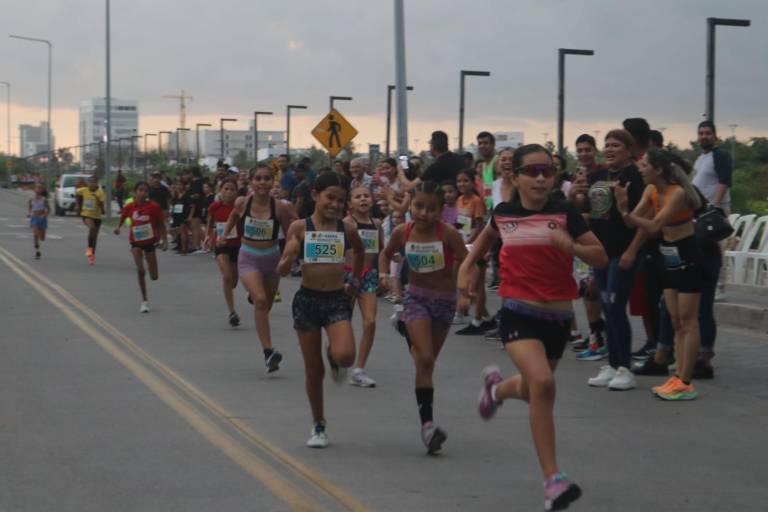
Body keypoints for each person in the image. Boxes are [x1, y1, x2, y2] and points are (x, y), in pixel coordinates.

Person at [459, 143, 606, 512]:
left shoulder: (566, 214)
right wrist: (465, 272)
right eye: (533, 171)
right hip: (518, 312)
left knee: (532, 387)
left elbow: (601, 255)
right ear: (515, 177)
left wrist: (570, 245)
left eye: (547, 171)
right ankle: (553, 480)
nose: (541, 178)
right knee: (543, 383)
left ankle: (496, 391)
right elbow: (480, 246)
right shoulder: (504, 214)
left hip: (557, 318)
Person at [379, 181, 468, 454]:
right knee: (425, 358)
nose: (423, 213)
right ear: (410, 205)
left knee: (426, 365)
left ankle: (406, 328)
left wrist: (464, 290)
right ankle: (427, 426)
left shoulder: (449, 233)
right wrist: (384, 274)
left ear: (441, 210)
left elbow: (467, 259)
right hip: (416, 298)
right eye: (418, 206)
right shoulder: (402, 231)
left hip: (444, 303)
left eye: (431, 209)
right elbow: (385, 253)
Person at [278, 172, 364, 448]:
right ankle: (319, 424)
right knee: (314, 370)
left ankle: (334, 355)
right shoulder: (299, 228)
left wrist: (355, 279)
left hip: (337, 299)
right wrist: (289, 257)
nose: (336, 205)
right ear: (315, 196)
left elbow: (360, 252)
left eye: (341, 200)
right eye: (330, 198)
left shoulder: (346, 229)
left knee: (346, 356)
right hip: (307, 302)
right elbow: (282, 268)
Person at [616, 149, 703, 400]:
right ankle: (676, 378)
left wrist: (627, 212)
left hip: (687, 253)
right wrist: (624, 209)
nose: (640, 169)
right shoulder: (650, 191)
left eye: (644, 165)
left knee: (688, 321)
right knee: (675, 319)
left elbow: (654, 225)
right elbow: (633, 223)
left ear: (658, 169)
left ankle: (686, 381)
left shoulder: (676, 193)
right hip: (668, 254)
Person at [584, 130, 646, 391]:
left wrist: (632, 251)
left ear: (629, 149)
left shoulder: (635, 177)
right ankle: (612, 362)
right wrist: (577, 196)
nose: (609, 149)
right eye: (606, 145)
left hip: (622, 252)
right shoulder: (598, 176)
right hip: (601, 251)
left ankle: (625, 368)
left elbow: (643, 222)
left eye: (616, 145)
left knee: (615, 305)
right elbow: (589, 213)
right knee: (607, 307)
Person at [222, 165, 297, 373]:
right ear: (251, 182)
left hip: (272, 260)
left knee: (265, 305)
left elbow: (291, 232)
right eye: (258, 178)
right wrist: (223, 235)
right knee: (262, 301)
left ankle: (254, 296)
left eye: (266, 179)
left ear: (273, 182)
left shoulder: (279, 207)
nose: (262, 182)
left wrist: (289, 254)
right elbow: (233, 217)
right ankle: (268, 352)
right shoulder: (242, 202)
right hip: (248, 258)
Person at [568, 134, 608, 357]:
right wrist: (574, 193)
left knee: (595, 293)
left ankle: (601, 341)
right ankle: (595, 338)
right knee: (586, 294)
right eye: (580, 150)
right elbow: (573, 209)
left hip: (598, 241)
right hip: (581, 240)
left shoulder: (603, 176)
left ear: (595, 150)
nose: (583, 154)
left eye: (587, 149)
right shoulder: (579, 177)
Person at [344, 186, 384, 388]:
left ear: (373, 200)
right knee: (343, 323)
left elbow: (382, 252)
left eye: (366, 196)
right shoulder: (345, 224)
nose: (363, 199)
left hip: (368, 276)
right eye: (357, 196)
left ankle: (358, 370)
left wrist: (385, 272)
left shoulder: (377, 224)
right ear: (350, 203)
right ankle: (337, 351)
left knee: (370, 322)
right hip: (347, 275)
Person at [692, 120, 732, 301]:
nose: (704, 136)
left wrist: (715, 205)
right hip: (701, 210)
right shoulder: (701, 158)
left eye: (708, 133)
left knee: (717, 247)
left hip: (714, 209)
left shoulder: (720, 155)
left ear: (715, 135)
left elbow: (724, 180)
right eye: (701, 133)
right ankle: (706, 282)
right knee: (703, 247)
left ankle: (720, 287)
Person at [114, 182, 167, 313]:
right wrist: (118, 227)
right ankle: (144, 301)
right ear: (135, 192)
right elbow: (123, 217)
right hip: (135, 242)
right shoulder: (130, 207)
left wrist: (164, 240)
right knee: (140, 270)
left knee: (154, 276)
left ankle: (149, 263)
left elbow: (161, 224)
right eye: (140, 190)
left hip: (149, 242)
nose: (143, 193)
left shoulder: (154, 207)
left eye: (145, 191)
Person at [454, 168, 494, 334]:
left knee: (477, 285)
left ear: (472, 182)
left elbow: (480, 227)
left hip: (475, 246)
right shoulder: (459, 200)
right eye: (459, 181)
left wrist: (469, 242)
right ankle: (485, 317)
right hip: (463, 243)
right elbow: (461, 224)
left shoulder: (477, 201)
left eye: (465, 181)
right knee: (466, 283)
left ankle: (478, 319)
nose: (462, 184)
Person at [206, 179, 242, 327]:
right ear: (220, 191)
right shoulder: (214, 207)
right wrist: (208, 236)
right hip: (221, 245)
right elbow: (209, 223)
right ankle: (232, 312)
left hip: (238, 246)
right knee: (227, 277)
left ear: (237, 192)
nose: (229, 192)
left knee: (233, 281)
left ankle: (231, 291)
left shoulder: (240, 207)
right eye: (226, 189)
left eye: (232, 189)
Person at [398, 131, 467, 189]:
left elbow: (410, 186)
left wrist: (400, 170)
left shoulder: (436, 166)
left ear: (433, 146)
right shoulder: (459, 159)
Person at [76, 175, 106, 266]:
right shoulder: (83, 190)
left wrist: (97, 199)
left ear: (97, 183)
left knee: (95, 238)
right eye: (90, 182)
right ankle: (89, 249)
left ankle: (91, 256)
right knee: (92, 228)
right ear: (88, 183)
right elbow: (77, 193)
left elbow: (102, 208)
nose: (92, 184)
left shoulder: (100, 192)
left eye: (94, 182)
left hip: (97, 217)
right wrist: (79, 206)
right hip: (86, 215)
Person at [28, 183, 49, 259]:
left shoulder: (44, 200)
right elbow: (30, 208)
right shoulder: (31, 199)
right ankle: (37, 251)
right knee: (35, 234)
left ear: (42, 190)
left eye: (40, 188)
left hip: (42, 219)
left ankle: (39, 241)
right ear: (34, 190)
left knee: (42, 238)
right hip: (34, 218)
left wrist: (44, 215)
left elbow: (48, 210)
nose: (38, 190)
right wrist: (29, 213)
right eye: (36, 188)